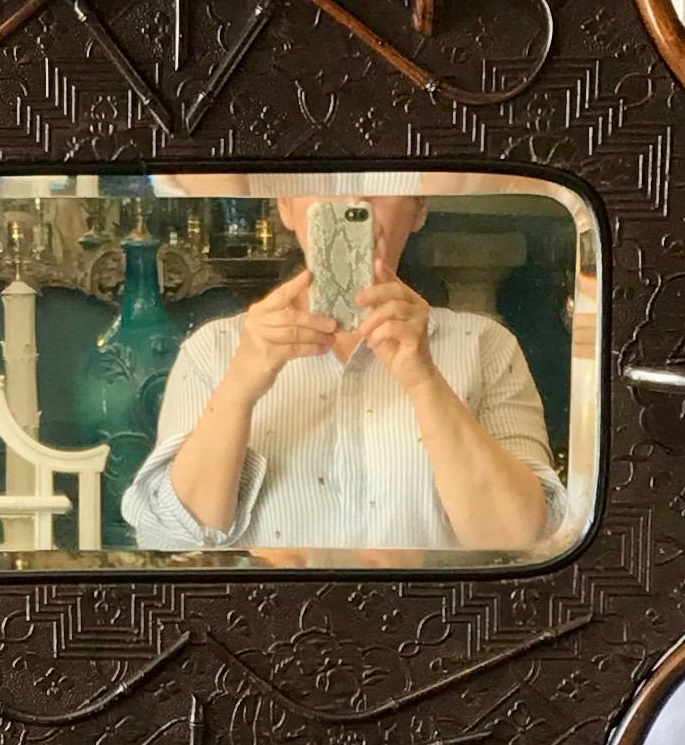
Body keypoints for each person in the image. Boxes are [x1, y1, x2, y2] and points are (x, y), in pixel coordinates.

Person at [121, 189, 565, 557]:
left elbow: (523, 540)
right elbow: (170, 538)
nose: (355, 198)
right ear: (285, 206)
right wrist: (239, 388)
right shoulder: (214, 350)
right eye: (322, 180)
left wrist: (424, 379)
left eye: (381, 182)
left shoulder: (484, 345)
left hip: (435, 629)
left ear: (419, 208)